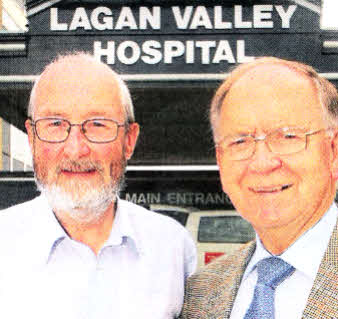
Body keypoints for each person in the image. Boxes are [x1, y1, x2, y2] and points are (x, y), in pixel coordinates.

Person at [0, 52, 196, 319]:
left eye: (97, 124)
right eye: (55, 124)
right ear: (32, 139)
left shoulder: (173, 247)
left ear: (129, 140)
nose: (76, 150)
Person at [180, 57, 338, 319]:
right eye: (239, 141)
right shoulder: (200, 293)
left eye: (288, 136)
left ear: (335, 150)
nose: (262, 163)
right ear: (220, 162)